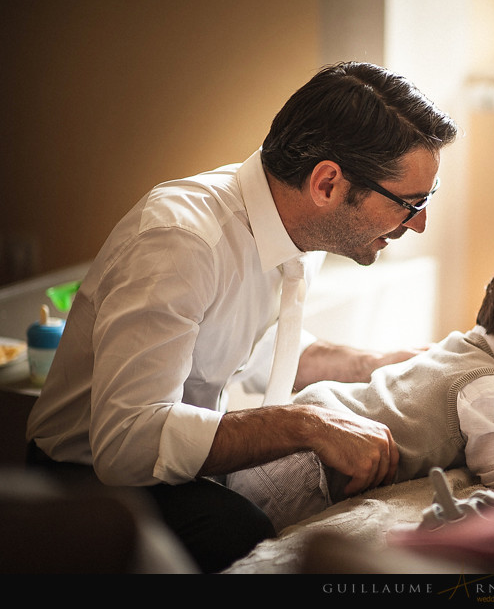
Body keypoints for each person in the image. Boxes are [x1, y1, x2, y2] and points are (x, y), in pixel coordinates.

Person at [24, 61, 458, 572]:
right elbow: (126, 444)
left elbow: (251, 349)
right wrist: (304, 424)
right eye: (411, 202)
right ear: (327, 184)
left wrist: (379, 362)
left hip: (162, 461)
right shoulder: (179, 242)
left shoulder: (299, 222)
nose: (421, 223)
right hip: (86, 480)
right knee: (246, 533)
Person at [228, 247, 494, 532]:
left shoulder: (467, 349)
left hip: (298, 435)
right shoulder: (492, 390)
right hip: (307, 472)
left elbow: (479, 427)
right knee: (239, 533)